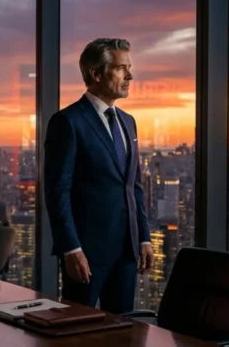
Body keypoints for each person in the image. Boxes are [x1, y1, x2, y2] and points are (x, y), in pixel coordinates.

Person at [44, 38, 154, 313]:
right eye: (120, 68)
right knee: (77, 333)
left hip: (127, 252)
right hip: (86, 253)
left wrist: (143, 237)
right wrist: (70, 249)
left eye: (129, 68)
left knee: (123, 332)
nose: (130, 76)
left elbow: (134, 186)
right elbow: (58, 191)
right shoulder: (68, 121)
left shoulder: (128, 122)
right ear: (96, 73)